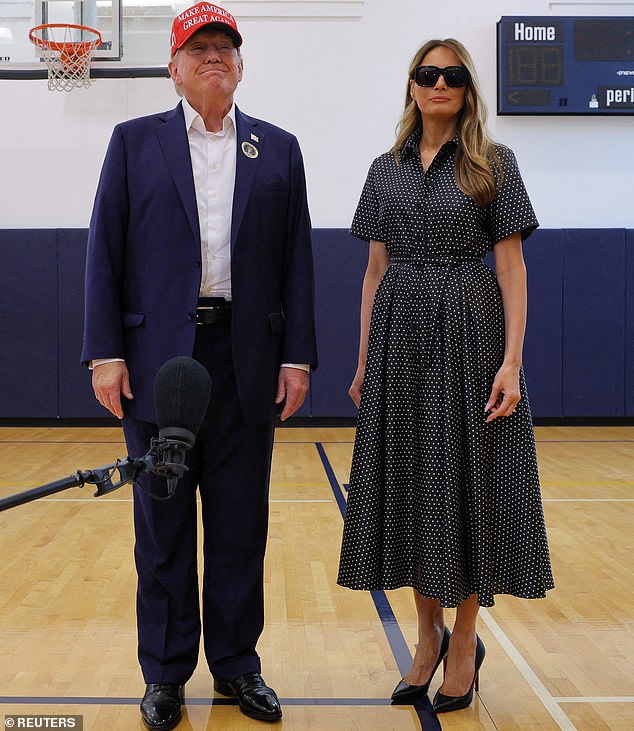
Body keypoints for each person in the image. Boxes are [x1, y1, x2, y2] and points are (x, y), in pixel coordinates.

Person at [82, 5, 317, 728]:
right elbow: (105, 250)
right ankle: (164, 673)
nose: (214, 56)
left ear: (240, 67)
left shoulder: (278, 149)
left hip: (246, 360)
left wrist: (298, 356)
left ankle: (238, 667)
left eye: (226, 47)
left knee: (241, 526)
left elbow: (296, 263)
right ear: (175, 67)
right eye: (199, 47)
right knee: (163, 531)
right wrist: (105, 352)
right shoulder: (132, 144)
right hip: (160, 365)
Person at [337, 38, 554, 714]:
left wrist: (512, 362)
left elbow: (512, 268)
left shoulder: (496, 164)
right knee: (410, 480)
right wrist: (365, 360)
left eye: (451, 76)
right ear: (411, 85)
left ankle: (464, 639)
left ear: (466, 89)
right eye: (427, 74)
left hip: (472, 332)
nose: (438, 84)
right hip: (401, 334)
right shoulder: (384, 169)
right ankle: (424, 633)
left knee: (465, 483)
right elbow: (374, 272)